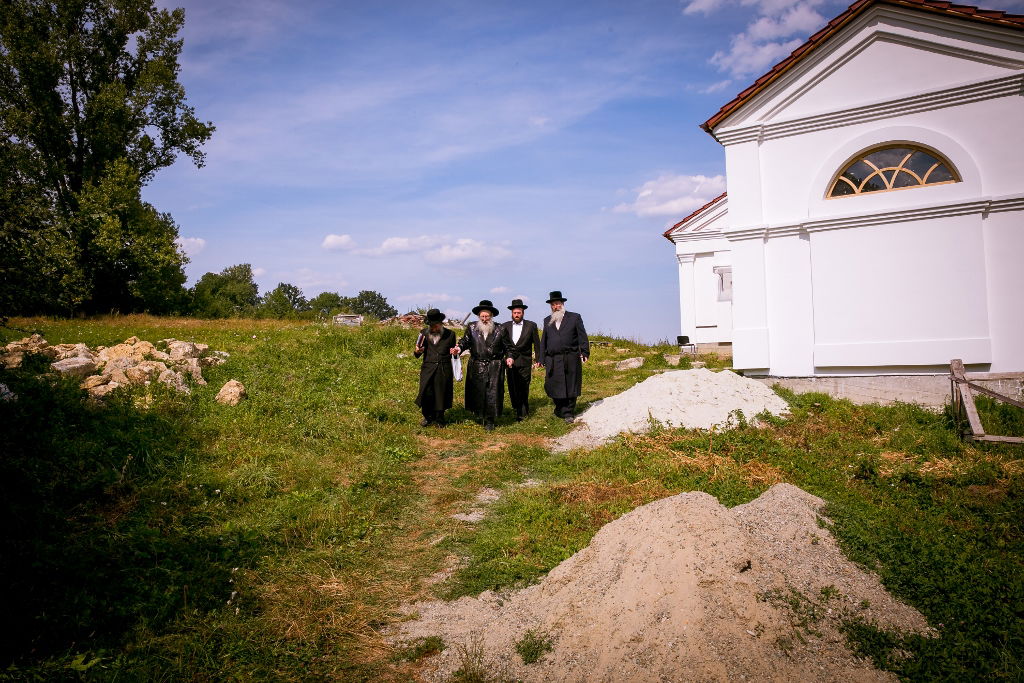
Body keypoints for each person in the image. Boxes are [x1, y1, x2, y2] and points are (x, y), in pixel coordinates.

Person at [538, 291, 589, 423]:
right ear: (551, 306)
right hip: (553, 359)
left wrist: (584, 352)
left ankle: (568, 412)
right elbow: (544, 340)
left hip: (570, 357)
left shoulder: (574, 317)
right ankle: (560, 407)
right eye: (553, 304)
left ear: (563, 304)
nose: (556, 306)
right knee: (552, 385)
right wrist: (541, 358)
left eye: (558, 303)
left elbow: (582, 336)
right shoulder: (547, 320)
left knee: (570, 384)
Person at [458, 299, 506, 430]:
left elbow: (509, 347)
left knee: (492, 393)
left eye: (487, 316)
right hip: (477, 365)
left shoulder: (500, 328)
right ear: (479, 316)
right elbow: (465, 341)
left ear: (492, 316)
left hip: (494, 366)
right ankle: (480, 414)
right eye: (482, 316)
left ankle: (490, 420)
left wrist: (510, 358)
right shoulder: (472, 327)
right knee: (478, 391)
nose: (484, 319)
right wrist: (458, 348)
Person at [413, 308, 459, 427]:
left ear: (440, 324)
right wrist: (418, 351)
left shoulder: (450, 334)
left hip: (444, 369)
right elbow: (417, 353)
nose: (434, 328)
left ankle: (440, 418)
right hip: (428, 368)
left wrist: (454, 352)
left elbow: (454, 352)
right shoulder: (423, 333)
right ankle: (428, 417)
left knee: (441, 394)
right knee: (427, 393)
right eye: (431, 326)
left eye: (436, 326)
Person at [500, 298, 541, 421]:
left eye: (519, 313)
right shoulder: (504, 326)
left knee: (524, 385)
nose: (517, 315)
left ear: (523, 313)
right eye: (515, 313)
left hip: (525, 361)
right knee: (512, 386)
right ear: (511, 313)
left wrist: (538, 359)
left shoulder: (531, 326)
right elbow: (502, 344)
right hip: (510, 361)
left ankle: (523, 411)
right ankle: (516, 407)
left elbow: (537, 344)